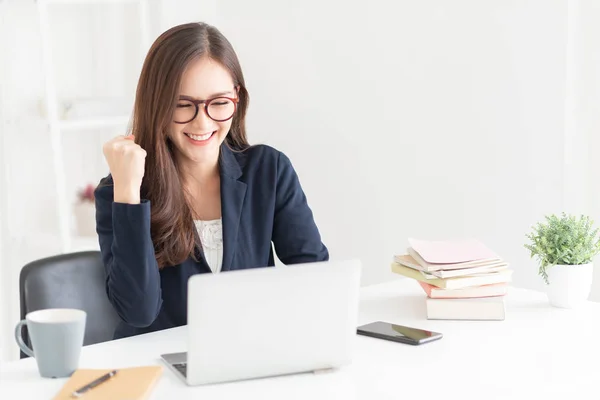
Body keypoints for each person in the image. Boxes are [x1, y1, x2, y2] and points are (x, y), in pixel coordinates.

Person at [95, 22, 329, 339]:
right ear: (157, 105)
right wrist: (128, 193)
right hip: (159, 368)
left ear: (237, 98)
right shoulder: (122, 191)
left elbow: (315, 278)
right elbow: (139, 312)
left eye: (218, 102)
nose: (202, 122)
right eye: (183, 105)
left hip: (249, 356)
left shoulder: (269, 170)